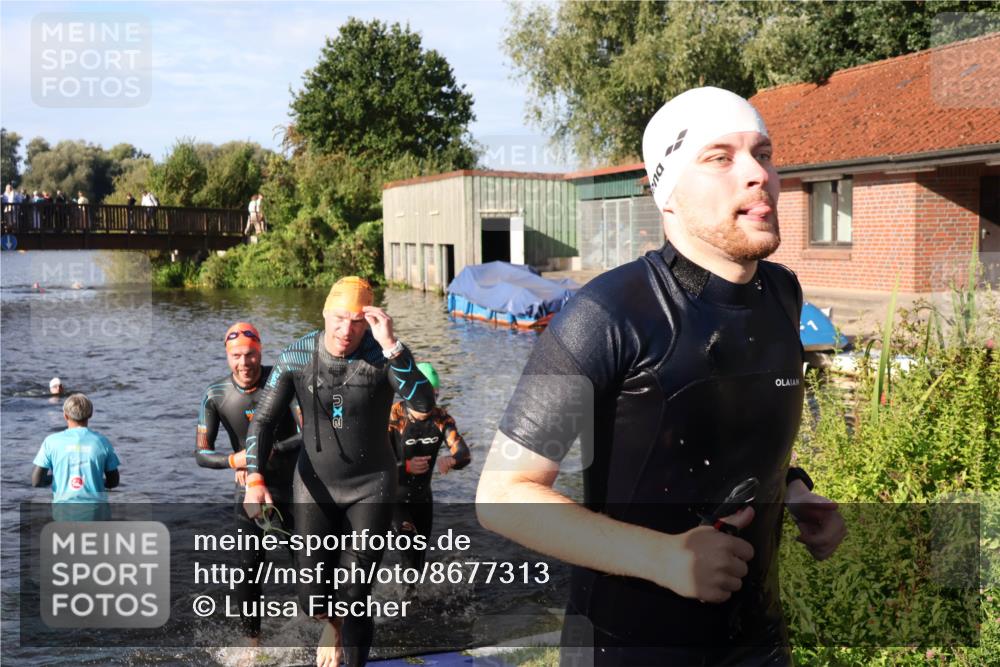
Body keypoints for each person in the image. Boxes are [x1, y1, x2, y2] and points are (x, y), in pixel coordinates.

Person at [476, 87, 847, 666]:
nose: (757, 174)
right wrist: (664, 559)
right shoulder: (603, 315)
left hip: (757, 638)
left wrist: (794, 489)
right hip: (627, 645)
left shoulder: (783, 293)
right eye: (719, 158)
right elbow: (502, 495)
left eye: (764, 153)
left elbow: (731, 431)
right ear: (666, 192)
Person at [242, 276, 435, 667]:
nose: (347, 331)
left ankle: (350, 642)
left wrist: (392, 346)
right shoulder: (297, 355)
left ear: (370, 322)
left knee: (356, 591)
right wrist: (255, 477)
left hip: (372, 486)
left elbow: (424, 404)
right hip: (314, 486)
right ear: (325, 312)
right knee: (311, 595)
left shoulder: (383, 354)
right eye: (340, 319)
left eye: (358, 322)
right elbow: (262, 420)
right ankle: (332, 623)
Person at [195, 321, 303, 649]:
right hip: (248, 488)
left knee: (309, 565)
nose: (245, 363)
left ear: (261, 352)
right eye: (237, 356)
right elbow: (201, 453)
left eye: (251, 355)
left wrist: (273, 449)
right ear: (227, 357)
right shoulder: (215, 395)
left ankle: (326, 623)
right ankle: (252, 644)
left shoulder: (282, 380)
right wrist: (236, 460)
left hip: (294, 486)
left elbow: (309, 432)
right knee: (248, 568)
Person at [388, 362, 471, 571]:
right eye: (425, 393)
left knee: (418, 559)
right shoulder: (394, 416)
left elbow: (463, 452)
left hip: (423, 497)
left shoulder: (441, 418)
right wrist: (405, 466)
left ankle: (411, 597)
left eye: (433, 393)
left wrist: (452, 460)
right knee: (407, 543)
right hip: (393, 497)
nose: (428, 400)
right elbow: (373, 462)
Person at [32, 393, 120, 521]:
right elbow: (114, 482)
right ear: (90, 414)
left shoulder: (51, 442)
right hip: (96, 514)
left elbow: (36, 481)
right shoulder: (102, 442)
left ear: (65, 415)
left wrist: (58, 477)